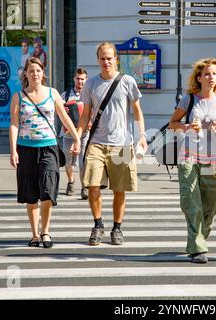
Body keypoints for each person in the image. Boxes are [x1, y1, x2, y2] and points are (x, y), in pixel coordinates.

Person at [75, 41, 147, 246]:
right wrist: (79, 138)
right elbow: (85, 115)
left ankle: (117, 227)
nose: (106, 62)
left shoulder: (127, 81)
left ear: (116, 59)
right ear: (98, 60)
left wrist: (141, 135)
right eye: (102, 58)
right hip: (96, 142)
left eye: (109, 58)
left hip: (122, 144)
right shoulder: (91, 84)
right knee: (93, 186)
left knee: (119, 188)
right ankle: (98, 225)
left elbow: (137, 112)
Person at [9, 57, 81, 248]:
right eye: (31, 71)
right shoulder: (19, 96)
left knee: (48, 192)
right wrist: (13, 150)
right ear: (26, 74)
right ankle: (34, 234)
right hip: (25, 149)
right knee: (31, 194)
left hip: (49, 147)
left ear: (43, 73)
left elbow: (64, 117)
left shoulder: (53, 93)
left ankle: (46, 231)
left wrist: (76, 137)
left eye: (38, 71)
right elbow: (14, 124)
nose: (35, 74)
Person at [169, 58, 216, 263]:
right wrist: (187, 127)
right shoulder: (189, 100)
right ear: (199, 77)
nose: (211, 77)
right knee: (192, 202)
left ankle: (198, 239)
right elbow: (172, 123)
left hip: (211, 158)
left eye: (214, 74)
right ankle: (197, 249)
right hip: (188, 156)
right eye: (207, 74)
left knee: (211, 206)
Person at [60, 68, 89, 199]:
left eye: (82, 79)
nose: (80, 81)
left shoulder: (89, 94)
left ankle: (84, 187)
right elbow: (58, 110)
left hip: (84, 133)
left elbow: (94, 112)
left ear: (86, 80)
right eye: (78, 78)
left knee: (84, 161)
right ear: (74, 79)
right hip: (68, 134)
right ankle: (71, 182)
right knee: (68, 161)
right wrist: (62, 109)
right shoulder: (65, 95)